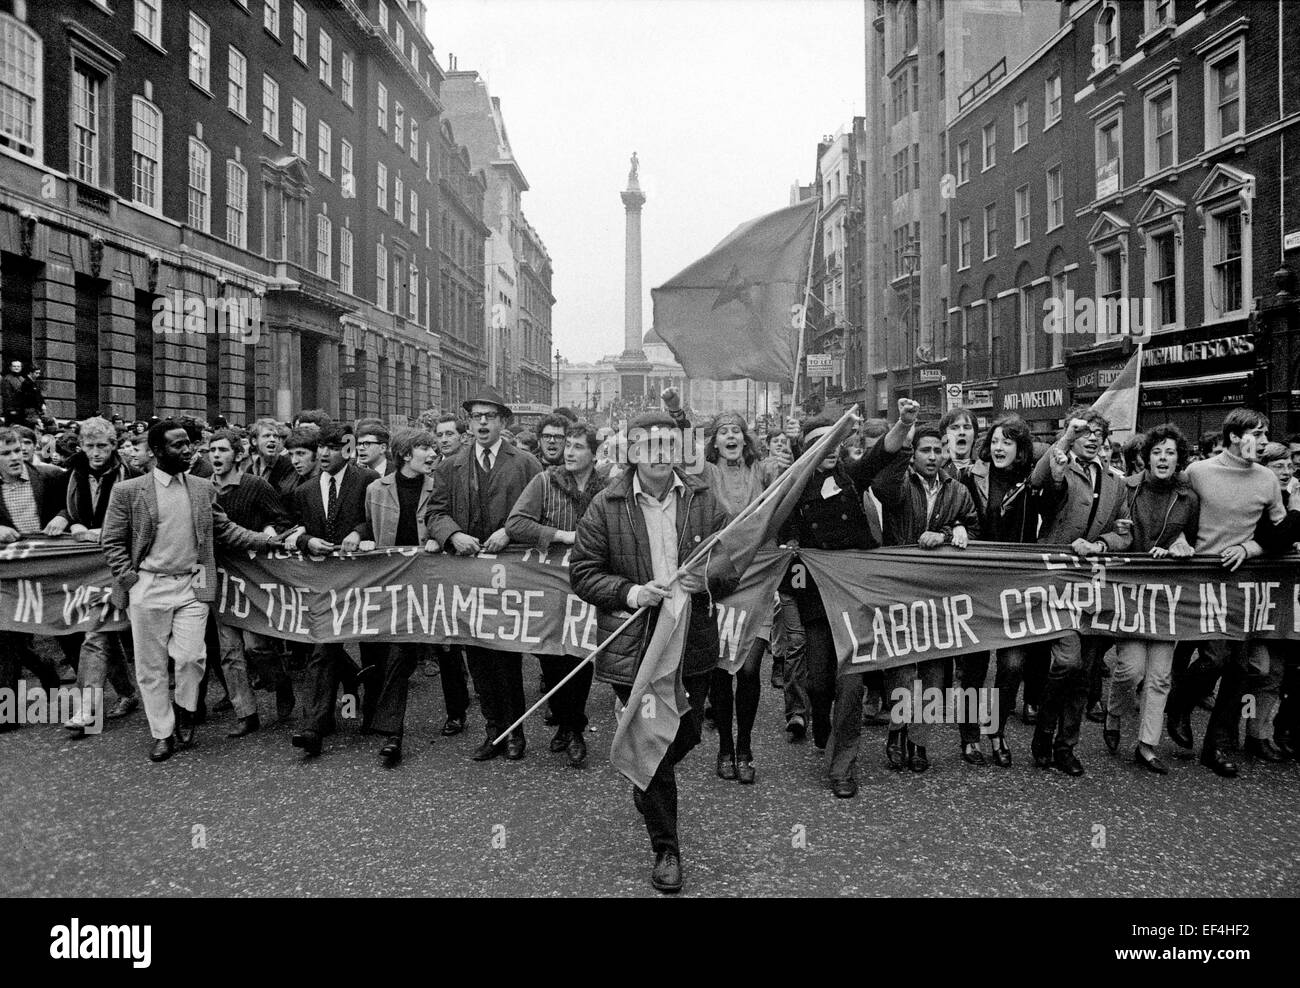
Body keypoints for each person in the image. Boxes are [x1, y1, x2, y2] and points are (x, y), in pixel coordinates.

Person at [570, 410, 739, 894]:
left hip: (693, 640)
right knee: (654, 744)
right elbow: (582, 572)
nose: (662, 452)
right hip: (635, 642)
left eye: (670, 443)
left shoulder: (704, 499)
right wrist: (630, 593)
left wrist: (706, 578)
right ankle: (667, 849)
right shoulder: (607, 504)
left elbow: (732, 563)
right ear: (633, 452)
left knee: (684, 733)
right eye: (650, 444)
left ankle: (642, 773)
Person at [100, 421, 280, 762]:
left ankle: (185, 708)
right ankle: (162, 733)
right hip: (148, 586)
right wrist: (130, 579)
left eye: (189, 444)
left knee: (191, 658)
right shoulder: (128, 491)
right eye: (178, 446)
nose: (188, 451)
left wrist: (267, 541)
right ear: (156, 451)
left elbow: (224, 530)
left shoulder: (201, 488)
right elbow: (111, 541)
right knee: (151, 667)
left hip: (192, 583)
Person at [778, 399, 918, 799]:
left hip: (856, 598)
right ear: (805, 450)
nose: (827, 451)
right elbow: (778, 533)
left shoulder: (851, 476)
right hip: (816, 599)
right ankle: (819, 719)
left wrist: (904, 424)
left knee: (852, 686)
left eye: (832, 442)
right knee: (820, 683)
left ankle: (843, 767)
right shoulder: (792, 488)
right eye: (816, 445)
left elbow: (881, 454)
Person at [1168, 408, 1288, 777]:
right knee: (1215, 659)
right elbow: (1172, 513)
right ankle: (1179, 703)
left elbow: (1281, 529)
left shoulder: (1267, 479)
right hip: (1203, 580)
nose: (1265, 442)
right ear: (1235, 436)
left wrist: (1250, 549)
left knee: (1239, 669)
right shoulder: (1198, 473)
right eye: (1258, 433)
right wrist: (1177, 540)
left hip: (1244, 583)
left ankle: (1216, 748)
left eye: (1266, 434)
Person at [428, 386, 542, 761]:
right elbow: (435, 513)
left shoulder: (525, 463)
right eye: (476, 417)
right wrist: (454, 535)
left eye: (489, 417)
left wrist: (510, 531)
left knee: (507, 655)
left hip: (509, 573)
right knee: (477, 654)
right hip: (467, 575)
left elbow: (540, 510)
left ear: (503, 422)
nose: (481, 423)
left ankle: (515, 732)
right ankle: (492, 731)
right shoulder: (450, 465)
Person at [1029, 409, 1133, 777]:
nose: (1092, 439)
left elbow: (1126, 533)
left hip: (1094, 586)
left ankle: (1066, 746)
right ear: (1073, 436)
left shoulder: (1116, 483)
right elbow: (1039, 480)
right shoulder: (1059, 465)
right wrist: (1062, 439)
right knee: (1067, 661)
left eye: (1098, 434)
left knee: (1085, 671)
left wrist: (1102, 545)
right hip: (1056, 582)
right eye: (1085, 433)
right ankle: (1043, 730)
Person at [874, 423, 979, 773]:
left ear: (946, 452)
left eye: (938, 450)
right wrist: (902, 439)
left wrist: (951, 531)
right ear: (914, 453)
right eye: (924, 450)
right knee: (902, 669)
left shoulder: (958, 489)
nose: (932, 457)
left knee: (935, 673)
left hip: (938, 596)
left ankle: (920, 742)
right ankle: (897, 732)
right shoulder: (900, 483)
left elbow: (974, 528)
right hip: (901, 590)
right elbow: (884, 488)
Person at [506, 421, 606, 767]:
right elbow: (516, 523)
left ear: (595, 453)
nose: (570, 452)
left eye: (579, 446)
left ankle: (574, 729)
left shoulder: (608, 487)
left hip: (590, 580)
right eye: (568, 446)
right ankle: (566, 722)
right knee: (551, 655)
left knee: (579, 654)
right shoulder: (545, 481)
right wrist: (563, 535)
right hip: (547, 581)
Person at [1106, 425, 1200, 775]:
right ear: (1146, 456)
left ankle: (1147, 745)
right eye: (1157, 452)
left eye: (1171, 453)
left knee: (1160, 676)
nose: (1163, 458)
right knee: (1131, 669)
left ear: (1179, 459)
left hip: (1166, 597)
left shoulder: (1189, 498)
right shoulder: (1126, 489)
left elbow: (1194, 541)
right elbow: (1115, 533)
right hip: (1130, 594)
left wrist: (1185, 548)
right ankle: (1114, 713)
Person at [283, 422, 381, 757]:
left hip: (362, 578)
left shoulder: (367, 481)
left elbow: (381, 518)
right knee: (323, 647)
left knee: (372, 647)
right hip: (323, 581)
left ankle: (370, 708)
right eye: (320, 447)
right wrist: (308, 540)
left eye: (333, 447)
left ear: (348, 449)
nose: (324, 454)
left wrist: (359, 530)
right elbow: (292, 530)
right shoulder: (304, 490)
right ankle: (314, 727)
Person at [699, 410, 781, 784]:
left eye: (736, 431)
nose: (730, 437)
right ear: (713, 441)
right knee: (720, 667)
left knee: (748, 669)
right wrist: (679, 414)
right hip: (719, 579)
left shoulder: (763, 470)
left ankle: (745, 746)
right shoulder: (705, 471)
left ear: (746, 439)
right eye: (723, 432)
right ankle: (725, 749)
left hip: (758, 577)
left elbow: (786, 493)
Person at [957, 414, 1042, 767]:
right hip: (977, 585)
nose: (998, 447)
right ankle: (969, 736)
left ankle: (997, 730)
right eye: (994, 441)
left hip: (1016, 588)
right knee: (973, 668)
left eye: (1008, 441)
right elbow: (955, 510)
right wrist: (957, 526)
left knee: (1012, 665)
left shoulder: (1033, 481)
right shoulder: (968, 476)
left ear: (1021, 448)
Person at [48, 416, 142, 737]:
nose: (96, 452)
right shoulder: (70, 475)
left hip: (117, 565)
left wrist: (109, 532)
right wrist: (67, 520)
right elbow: (59, 506)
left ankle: (87, 708)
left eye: (102, 445)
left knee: (95, 633)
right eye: (90, 446)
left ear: (114, 446)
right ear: (82, 447)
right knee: (103, 632)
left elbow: (142, 521)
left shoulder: (132, 477)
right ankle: (127, 692)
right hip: (85, 569)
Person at [357, 429, 439, 767]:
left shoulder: (439, 487)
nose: (432, 453)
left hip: (425, 580)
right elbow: (366, 524)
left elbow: (446, 520)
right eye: (424, 447)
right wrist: (360, 536)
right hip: (387, 580)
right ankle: (379, 718)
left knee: (404, 652)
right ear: (406, 454)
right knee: (382, 650)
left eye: (434, 447)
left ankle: (393, 733)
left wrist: (439, 536)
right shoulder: (376, 489)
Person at [208, 428, 290, 736]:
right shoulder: (203, 488)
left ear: (238, 454)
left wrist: (268, 530)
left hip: (254, 573)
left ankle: (281, 684)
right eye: (212, 450)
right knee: (229, 649)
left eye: (223, 450)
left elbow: (282, 520)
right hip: (219, 574)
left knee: (256, 645)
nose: (216, 456)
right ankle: (246, 712)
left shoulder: (255, 485)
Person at [247, 418, 297, 496]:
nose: (272, 439)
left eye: (275, 436)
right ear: (254, 441)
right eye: (267, 436)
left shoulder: (289, 467)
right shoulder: (250, 469)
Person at [939, 406, 977, 476]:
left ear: (975, 435)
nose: (961, 432)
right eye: (954, 428)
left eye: (967, 427)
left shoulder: (986, 469)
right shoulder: (936, 469)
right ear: (945, 434)